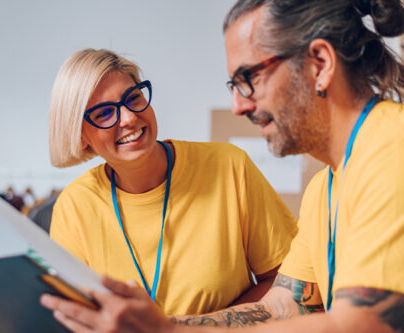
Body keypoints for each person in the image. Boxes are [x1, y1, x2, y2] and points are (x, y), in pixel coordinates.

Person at [40, 0, 404, 332]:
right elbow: (286, 305)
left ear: (320, 64)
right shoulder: (323, 190)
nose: (238, 106)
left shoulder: (391, 146)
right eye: (234, 84)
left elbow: (365, 323)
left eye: (249, 79)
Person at [46, 48, 297, 317]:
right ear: (80, 135)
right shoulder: (74, 206)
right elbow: (76, 317)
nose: (129, 118)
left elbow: (291, 282)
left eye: (133, 98)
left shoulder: (229, 167)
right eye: (105, 114)